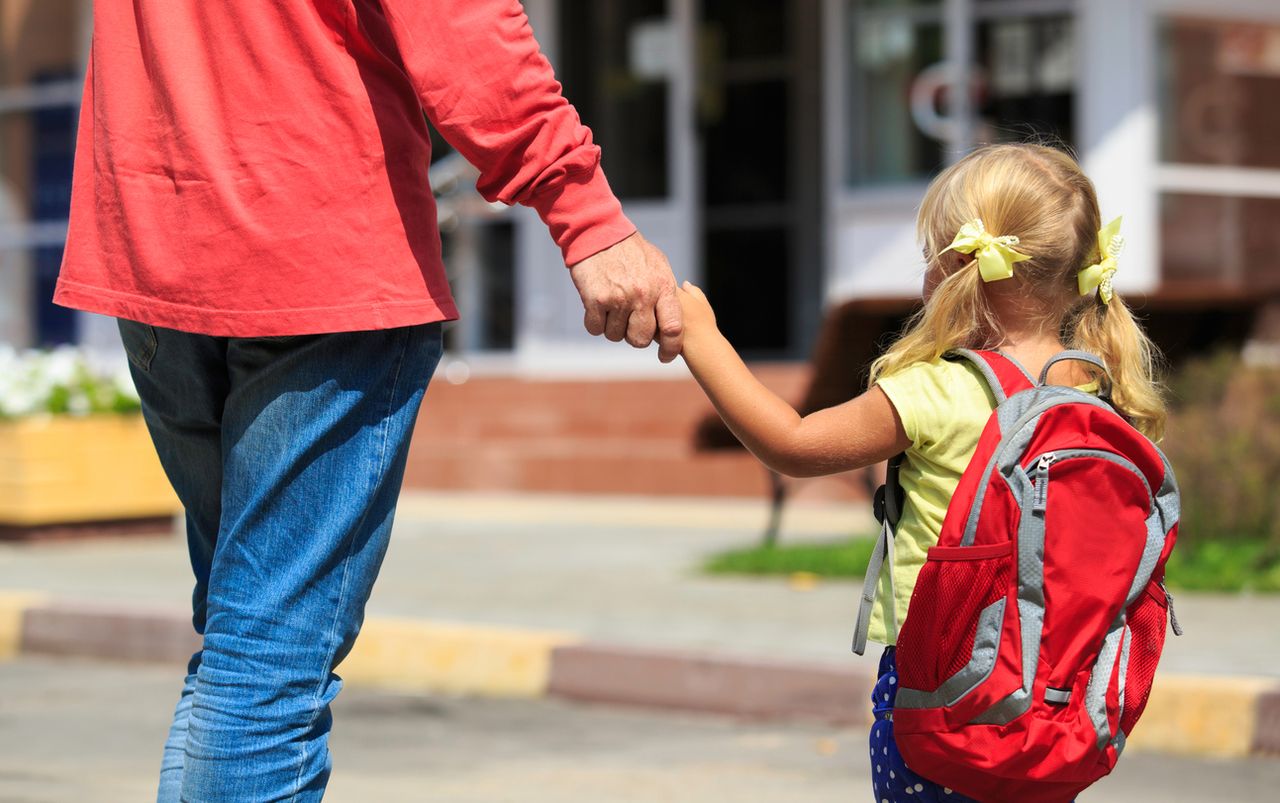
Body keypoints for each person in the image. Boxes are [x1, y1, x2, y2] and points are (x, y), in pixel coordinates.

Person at [53, 2, 681, 800]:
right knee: (267, 663)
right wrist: (582, 208)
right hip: (315, 255)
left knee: (241, 646)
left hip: (156, 250)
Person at [676, 143, 1166, 802]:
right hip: (1055, 696)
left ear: (962, 265)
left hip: (945, 694)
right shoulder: (1095, 391)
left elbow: (790, 443)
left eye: (930, 253)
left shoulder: (943, 389)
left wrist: (701, 340)